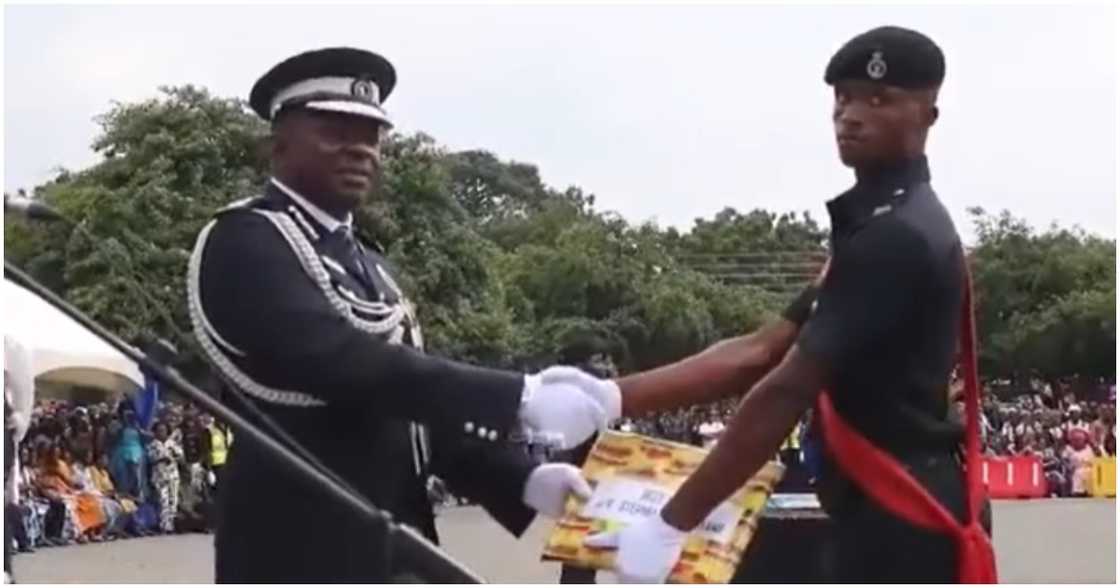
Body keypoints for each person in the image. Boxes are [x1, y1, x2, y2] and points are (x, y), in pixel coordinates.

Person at [562, 26, 995, 583]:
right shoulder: (879, 224)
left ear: (928, 115)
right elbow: (761, 348)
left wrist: (671, 525)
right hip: (885, 500)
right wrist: (609, 397)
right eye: (842, 97)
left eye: (879, 100)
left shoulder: (898, 237)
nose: (851, 114)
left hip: (898, 516)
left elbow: (788, 386)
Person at [186, 47, 614, 583]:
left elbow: (412, 418)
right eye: (336, 131)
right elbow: (338, 361)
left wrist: (522, 480)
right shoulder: (247, 239)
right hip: (298, 550)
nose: (360, 150)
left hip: (393, 546)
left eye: (371, 135)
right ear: (278, 144)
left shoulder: (370, 264)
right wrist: (516, 397)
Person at [147, 421, 183, 533]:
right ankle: (164, 526)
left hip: (173, 475)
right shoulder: (152, 444)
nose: (161, 432)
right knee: (163, 501)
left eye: (163, 430)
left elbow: (180, 455)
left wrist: (174, 455)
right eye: (159, 430)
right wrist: (162, 458)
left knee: (174, 500)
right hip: (160, 476)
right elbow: (150, 458)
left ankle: (172, 524)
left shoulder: (172, 443)